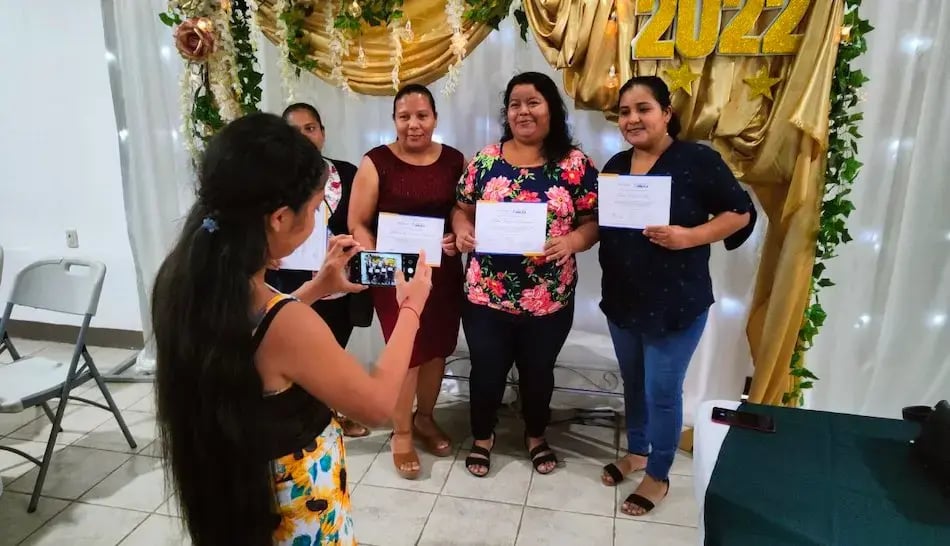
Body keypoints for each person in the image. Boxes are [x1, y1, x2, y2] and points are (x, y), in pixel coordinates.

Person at [152, 113, 433, 545]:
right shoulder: (288, 322)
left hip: (237, 493)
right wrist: (411, 307)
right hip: (297, 507)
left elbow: (258, 336)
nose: (318, 218)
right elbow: (377, 405)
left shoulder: (182, 278)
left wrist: (317, 288)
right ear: (280, 218)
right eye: (316, 208)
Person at [598, 76, 756, 516]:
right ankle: (638, 452)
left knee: (662, 391)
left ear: (666, 113)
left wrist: (690, 236)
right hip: (623, 299)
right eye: (624, 112)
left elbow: (740, 213)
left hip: (676, 303)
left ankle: (658, 475)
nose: (632, 119)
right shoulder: (615, 165)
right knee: (634, 383)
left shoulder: (697, 159)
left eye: (643, 109)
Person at [453, 72, 600, 477]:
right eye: (515, 104)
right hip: (485, 295)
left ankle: (536, 435)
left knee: (538, 373)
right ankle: (482, 437)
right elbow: (461, 207)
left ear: (551, 109)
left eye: (533, 102)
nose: (523, 111)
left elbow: (593, 221)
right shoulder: (486, 160)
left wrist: (572, 242)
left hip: (549, 298)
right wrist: (462, 230)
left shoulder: (574, 164)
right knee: (486, 371)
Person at [349, 84, 465, 479]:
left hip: (441, 274)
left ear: (434, 118)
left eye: (422, 116)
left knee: (436, 351)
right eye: (404, 116)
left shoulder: (454, 160)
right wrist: (378, 262)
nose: (413, 124)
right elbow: (358, 223)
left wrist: (454, 236)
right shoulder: (375, 161)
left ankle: (425, 418)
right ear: (394, 120)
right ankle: (401, 433)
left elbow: (460, 213)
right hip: (392, 277)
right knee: (408, 354)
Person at [266, 102, 372, 438]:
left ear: (323, 133)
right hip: (289, 283)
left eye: (310, 128)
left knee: (331, 352)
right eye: (293, 131)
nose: (303, 136)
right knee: (294, 354)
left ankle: (329, 412)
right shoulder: (269, 179)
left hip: (338, 284)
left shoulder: (349, 174)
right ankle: (303, 419)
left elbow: (362, 221)